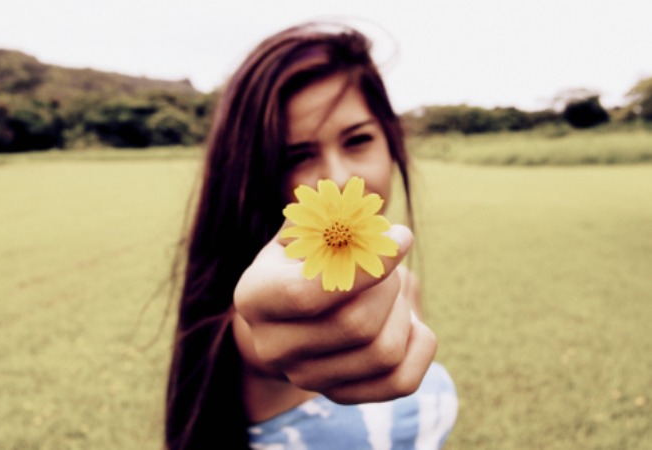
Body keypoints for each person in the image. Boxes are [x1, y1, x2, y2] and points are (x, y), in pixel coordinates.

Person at [165, 22, 458, 449]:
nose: (338, 179)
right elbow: (267, 326)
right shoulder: (251, 321)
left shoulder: (401, 284)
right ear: (252, 174)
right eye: (297, 156)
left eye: (358, 140)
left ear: (392, 141)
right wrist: (263, 321)